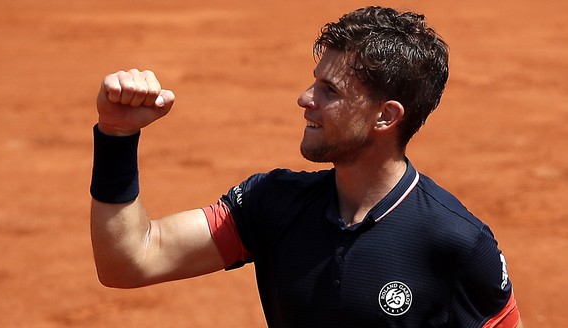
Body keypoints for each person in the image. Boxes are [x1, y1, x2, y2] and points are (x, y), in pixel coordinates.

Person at [90, 6, 523, 327]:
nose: (305, 98)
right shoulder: (271, 204)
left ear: (385, 117)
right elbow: (130, 261)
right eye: (314, 81)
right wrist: (116, 136)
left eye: (329, 90)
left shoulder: (456, 243)